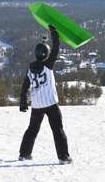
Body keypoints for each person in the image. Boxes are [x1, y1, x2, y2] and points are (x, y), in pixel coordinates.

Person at [19, 25, 72, 165]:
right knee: (58, 130)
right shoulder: (48, 65)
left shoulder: (30, 68)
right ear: (46, 54)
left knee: (32, 130)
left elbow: (25, 86)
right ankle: (63, 157)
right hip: (50, 103)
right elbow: (56, 47)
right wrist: (54, 32)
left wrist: (23, 102)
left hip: (37, 105)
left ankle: (24, 154)